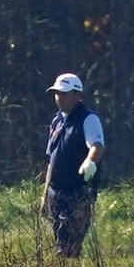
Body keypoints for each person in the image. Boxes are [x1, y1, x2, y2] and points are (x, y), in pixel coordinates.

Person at [41, 73, 105, 257]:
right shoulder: (57, 121)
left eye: (64, 93)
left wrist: (90, 161)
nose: (59, 98)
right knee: (60, 241)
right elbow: (52, 159)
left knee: (70, 245)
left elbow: (97, 146)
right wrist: (45, 193)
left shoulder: (88, 118)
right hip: (56, 191)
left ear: (78, 95)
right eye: (56, 94)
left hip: (77, 190)